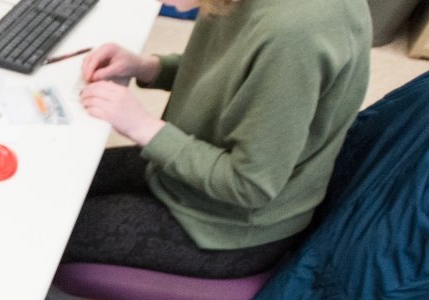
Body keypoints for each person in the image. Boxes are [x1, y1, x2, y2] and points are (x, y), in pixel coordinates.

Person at [66, 0, 369, 278]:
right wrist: (151, 67)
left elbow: (250, 184)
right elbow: (239, 69)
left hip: (229, 227)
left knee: (39, 231)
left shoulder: (293, 35)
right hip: (191, 168)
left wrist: (143, 127)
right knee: (49, 182)